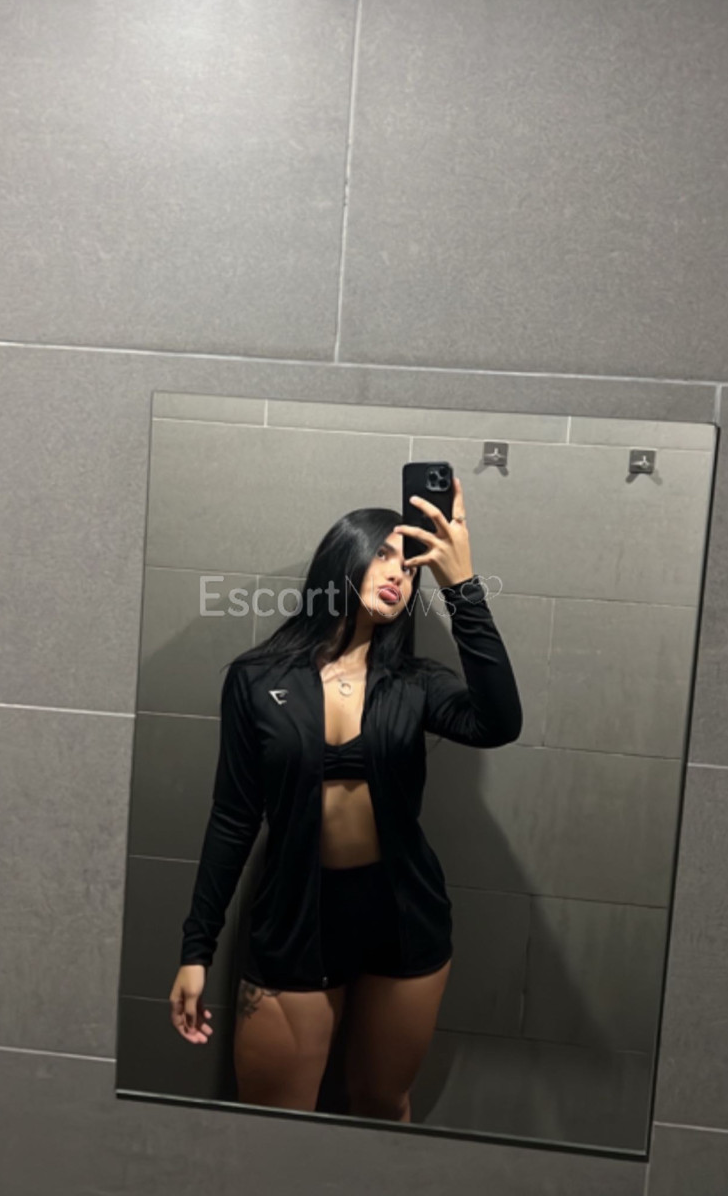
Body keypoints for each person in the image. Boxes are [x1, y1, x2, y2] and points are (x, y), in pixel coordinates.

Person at [169, 476, 522, 1121]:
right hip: (295, 919)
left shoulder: (416, 683)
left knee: (382, 1107)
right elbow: (233, 819)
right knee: (274, 1121)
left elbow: (499, 723)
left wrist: (462, 586)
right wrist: (197, 949)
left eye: (409, 567)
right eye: (382, 554)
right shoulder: (256, 679)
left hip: (403, 917)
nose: (398, 574)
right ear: (343, 559)